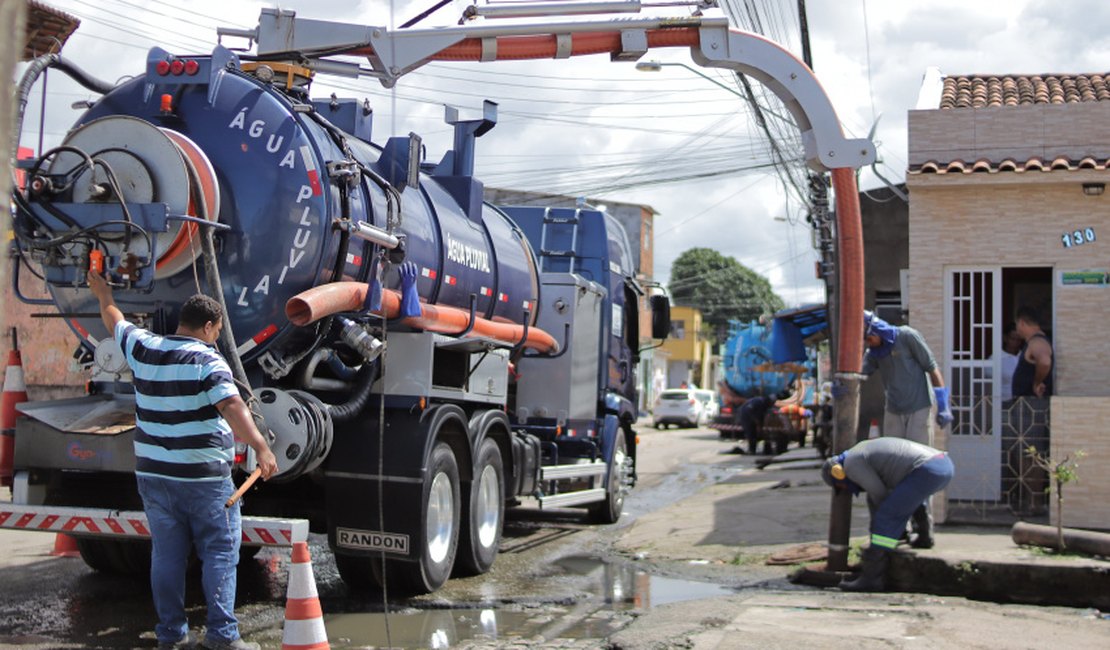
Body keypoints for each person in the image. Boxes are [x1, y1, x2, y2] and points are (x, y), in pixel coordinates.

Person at [88, 270, 278, 650]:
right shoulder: (207, 361)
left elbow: (114, 319)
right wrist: (261, 446)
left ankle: (172, 636)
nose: (217, 338)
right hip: (204, 480)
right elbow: (232, 405)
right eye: (217, 331)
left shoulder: (144, 347)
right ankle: (223, 638)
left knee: (167, 556)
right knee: (220, 554)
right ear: (209, 326)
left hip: (154, 476)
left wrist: (103, 292)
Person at [820, 437, 954, 592]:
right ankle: (924, 538)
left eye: (841, 486)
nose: (845, 490)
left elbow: (880, 495)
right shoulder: (858, 453)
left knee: (885, 515)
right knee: (907, 497)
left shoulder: (851, 465)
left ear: (838, 474)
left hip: (928, 469)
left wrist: (883, 531)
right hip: (942, 464)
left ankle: (871, 578)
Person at [862, 311, 952, 447]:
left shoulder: (906, 337)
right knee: (893, 456)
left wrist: (943, 404)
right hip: (893, 408)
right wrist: (842, 384)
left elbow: (932, 367)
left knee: (919, 455)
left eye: (869, 339)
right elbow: (860, 373)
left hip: (919, 406)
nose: (868, 344)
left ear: (876, 331)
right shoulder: (874, 353)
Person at [1012, 306, 1054, 398]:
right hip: (1027, 405)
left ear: (1021, 323)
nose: (1017, 328)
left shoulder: (1037, 341)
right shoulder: (1034, 341)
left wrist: (1037, 383)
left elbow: (1045, 362)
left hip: (1032, 406)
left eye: (1016, 324)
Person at [999, 322, 1022, 403]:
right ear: (1005, 338)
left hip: (1022, 402)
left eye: (1018, 339)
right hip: (1003, 402)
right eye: (1012, 339)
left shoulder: (1025, 357)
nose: (1016, 342)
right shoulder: (996, 360)